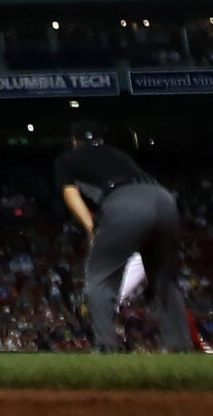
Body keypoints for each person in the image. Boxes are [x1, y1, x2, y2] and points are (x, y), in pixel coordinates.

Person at [55, 122, 191, 352]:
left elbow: (70, 193)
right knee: (164, 278)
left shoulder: (68, 159)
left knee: (99, 277)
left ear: (74, 142)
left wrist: (90, 227)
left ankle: (106, 347)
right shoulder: (118, 154)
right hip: (163, 198)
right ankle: (181, 347)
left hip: (125, 201)